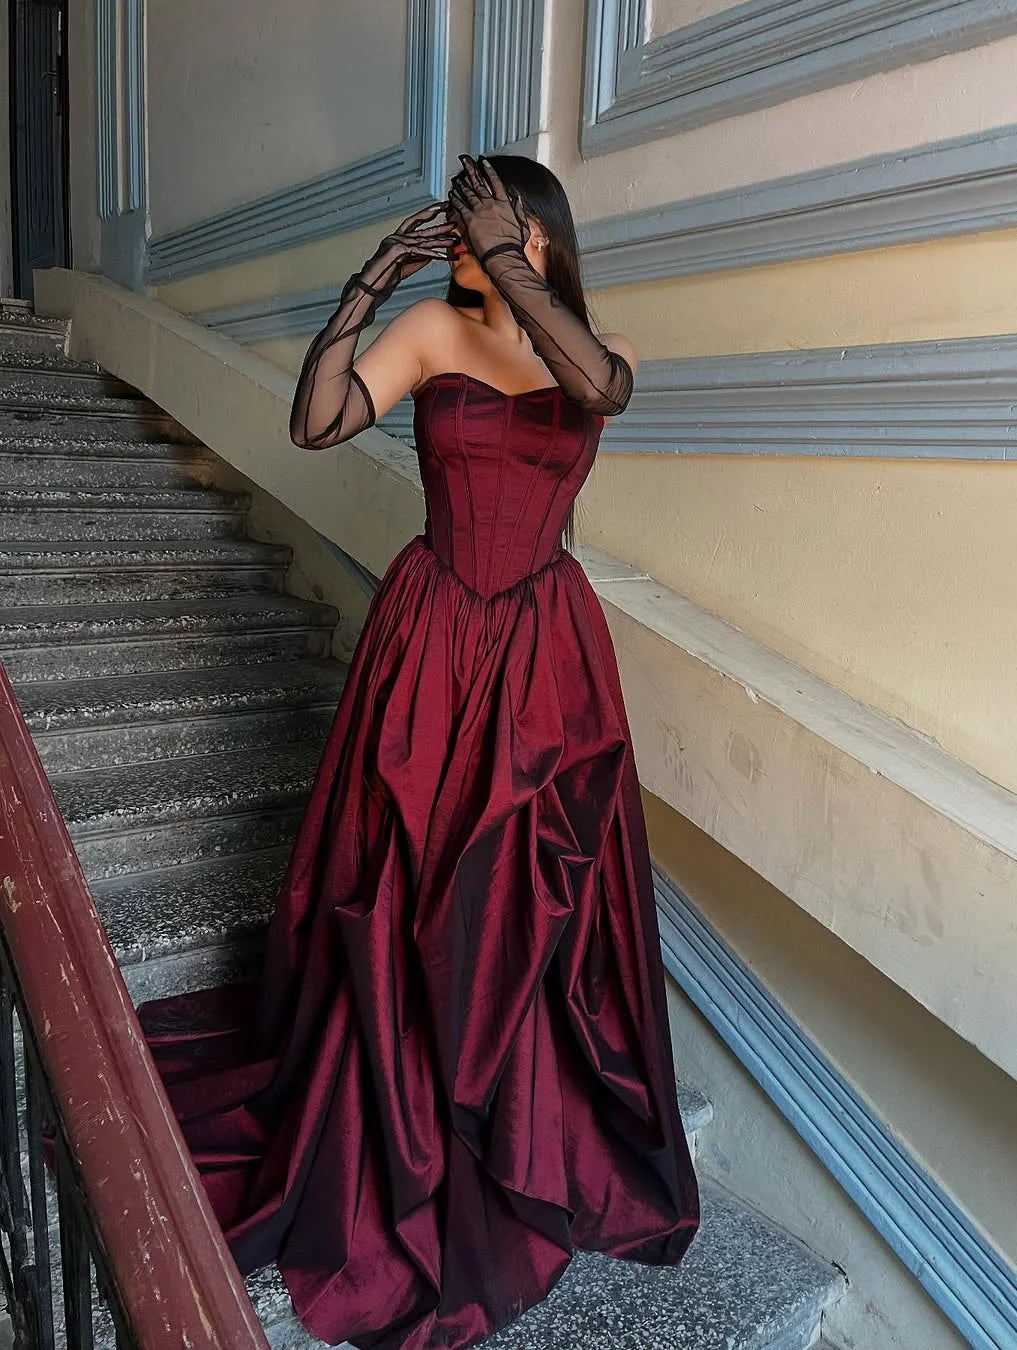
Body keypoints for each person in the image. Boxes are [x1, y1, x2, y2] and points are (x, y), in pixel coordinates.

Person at [136, 152, 700, 1350]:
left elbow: (601, 388)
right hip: (433, 634)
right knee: (401, 880)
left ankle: (524, 1119)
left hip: (543, 654)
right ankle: (394, 1096)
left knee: (524, 896)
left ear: (534, 233)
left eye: (478, 223)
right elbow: (316, 419)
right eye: (455, 229)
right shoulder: (435, 328)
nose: (456, 242)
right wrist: (362, 290)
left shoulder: (597, 346)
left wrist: (504, 259)